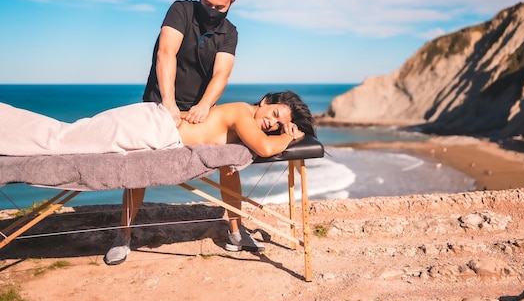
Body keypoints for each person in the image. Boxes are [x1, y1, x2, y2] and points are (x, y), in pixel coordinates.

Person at [0, 91, 316, 263]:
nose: (271, 124)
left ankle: (236, 232)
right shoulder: (242, 112)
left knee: (64, 139)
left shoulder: (246, 119)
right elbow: (262, 146)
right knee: (62, 141)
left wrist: (286, 135)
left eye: (278, 124)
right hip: (150, 127)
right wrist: (289, 137)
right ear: (265, 102)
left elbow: (254, 148)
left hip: (156, 133)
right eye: (274, 114)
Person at [116, 0, 239, 264]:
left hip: (198, 110)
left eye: (220, 7)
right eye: (207, 3)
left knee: (229, 161)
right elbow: (166, 53)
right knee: (138, 166)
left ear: (232, 2)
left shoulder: (230, 32)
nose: (212, 11)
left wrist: (206, 105)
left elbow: (222, 73)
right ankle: (123, 235)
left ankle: (237, 230)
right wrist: (168, 103)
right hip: (161, 103)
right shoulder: (181, 10)